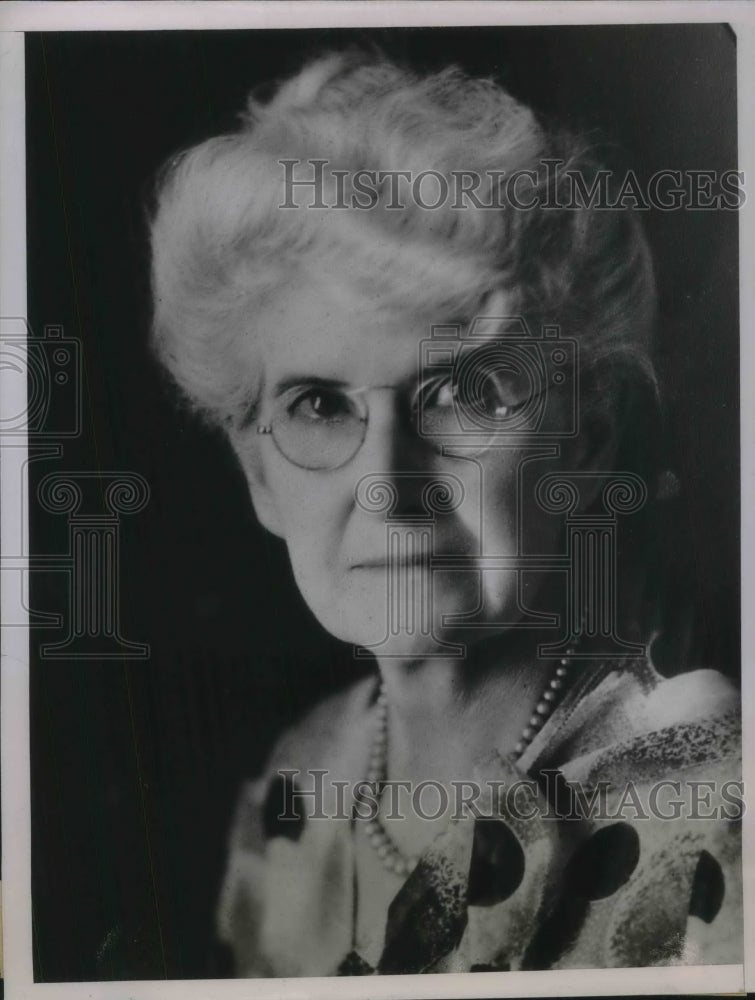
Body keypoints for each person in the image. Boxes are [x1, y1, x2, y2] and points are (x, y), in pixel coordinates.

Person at [148, 51, 741, 976]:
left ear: (582, 442)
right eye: (317, 404)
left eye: (462, 391)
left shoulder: (710, 800)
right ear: (259, 473)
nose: (387, 481)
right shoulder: (300, 776)